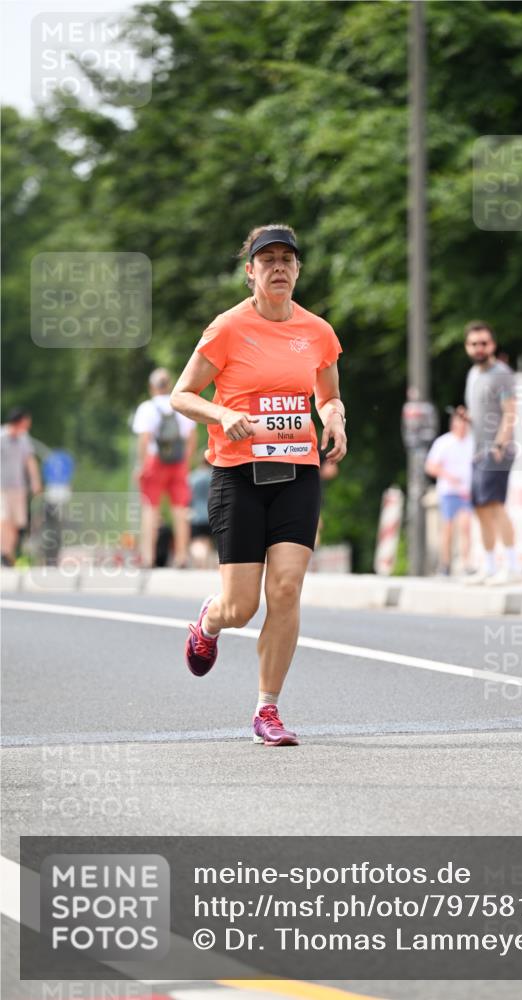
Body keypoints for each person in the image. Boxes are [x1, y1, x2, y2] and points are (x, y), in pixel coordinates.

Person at [170, 224, 346, 746]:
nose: (277, 268)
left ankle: (267, 710)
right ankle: (210, 619)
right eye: (266, 260)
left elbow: (329, 396)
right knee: (242, 607)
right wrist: (221, 413)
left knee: (287, 589)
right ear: (250, 272)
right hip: (237, 476)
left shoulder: (318, 331)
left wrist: (335, 418)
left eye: (286, 260)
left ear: (297, 270)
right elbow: (182, 395)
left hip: (298, 471)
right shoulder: (227, 328)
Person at [463, 321, 522, 585]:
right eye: (474, 344)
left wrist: (500, 445)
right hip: (477, 451)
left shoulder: (501, 373)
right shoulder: (473, 374)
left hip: (496, 450)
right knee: (481, 508)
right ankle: (489, 565)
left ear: (493, 345)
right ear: (468, 347)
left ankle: (512, 566)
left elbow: (510, 412)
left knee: (496, 505)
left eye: (484, 343)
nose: (479, 348)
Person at [132, 368, 197, 568]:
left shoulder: (147, 408)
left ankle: (148, 557)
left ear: (151, 387)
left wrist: (141, 465)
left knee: (150, 509)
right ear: (170, 385)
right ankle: (181, 556)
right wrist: (186, 460)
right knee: (180, 509)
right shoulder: (180, 404)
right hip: (178, 462)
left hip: (155, 461)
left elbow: (144, 439)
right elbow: (192, 437)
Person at [424, 406, 474, 575]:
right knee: (448, 528)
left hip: (466, 491)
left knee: (466, 527)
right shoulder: (444, 443)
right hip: (449, 491)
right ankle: (445, 564)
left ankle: (466, 563)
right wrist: (448, 476)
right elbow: (430, 466)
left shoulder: (472, 443)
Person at [1, 408, 42, 566]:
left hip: (18, 487)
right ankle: (4, 552)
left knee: (17, 523)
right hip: (2, 487)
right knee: (4, 519)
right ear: (17, 422)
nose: (27, 426)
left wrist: (35, 482)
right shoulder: (2, 437)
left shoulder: (24, 439)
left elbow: (29, 461)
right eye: (26, 423)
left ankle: (7, 552)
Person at [188, 454, 215, 568]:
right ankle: (204, 563)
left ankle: (200, 560)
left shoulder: (192, 477)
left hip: (196, 514)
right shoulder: (213, 477)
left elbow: (187, 496)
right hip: (210, 513)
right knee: (207, 540)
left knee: (196, 541)